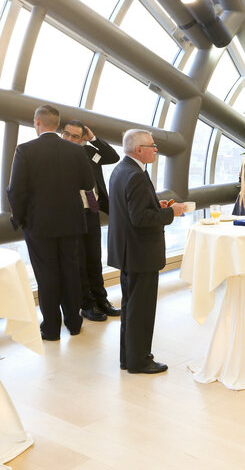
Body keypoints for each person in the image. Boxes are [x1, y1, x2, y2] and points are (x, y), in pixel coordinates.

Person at [7, 105, 94, 341]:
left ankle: (51, 328)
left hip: (39, 224)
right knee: (70, 271)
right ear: (57, 125)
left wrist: (21, 218)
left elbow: (16, 191)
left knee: (46, 275)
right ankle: (74, 323)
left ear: (37, 122)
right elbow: (87, 182)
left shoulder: (25, 150)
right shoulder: (76, 151)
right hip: (71, 222)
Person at [107, 129, 184, 373]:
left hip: (128, 251)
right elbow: (140, 218)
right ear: (139, 149)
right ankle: (139, 361)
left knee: (131, 307)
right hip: (141, 253)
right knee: (141, 309)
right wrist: (173, 212)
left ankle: (128, 358)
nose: (156, 150)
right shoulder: (137, 175)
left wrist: (156, 205)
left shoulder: (122, 170)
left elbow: (132, 209)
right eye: (152, 146)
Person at [60, 120, 121, 322]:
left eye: (75, 136)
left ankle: (101, 299)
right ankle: (86, 304)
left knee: (94, 258)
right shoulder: (57, 155)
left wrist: (94, 139)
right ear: (61, 134)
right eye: (66, 134)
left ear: (82, 138)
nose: (69, 139)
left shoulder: (89, 153)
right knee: (79, 261)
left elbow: (113, 156)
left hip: (92, 210)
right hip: (71, 214)